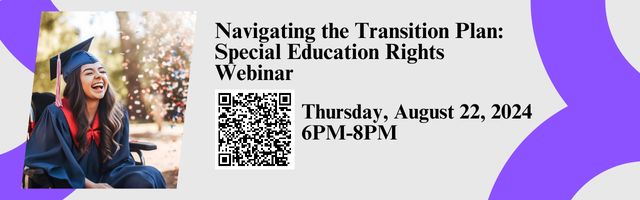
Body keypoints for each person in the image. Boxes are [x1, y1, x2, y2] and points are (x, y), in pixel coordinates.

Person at [24, 37, 166, 189]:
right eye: (89, 73)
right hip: (72, 182)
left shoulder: (117, 113)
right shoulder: (56, 115)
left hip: (110, 176)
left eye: (102, 71)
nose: (99, 76)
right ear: (75, 82)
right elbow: (44, 160)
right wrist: (90, 186)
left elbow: (119, 162)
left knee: (149, 176)